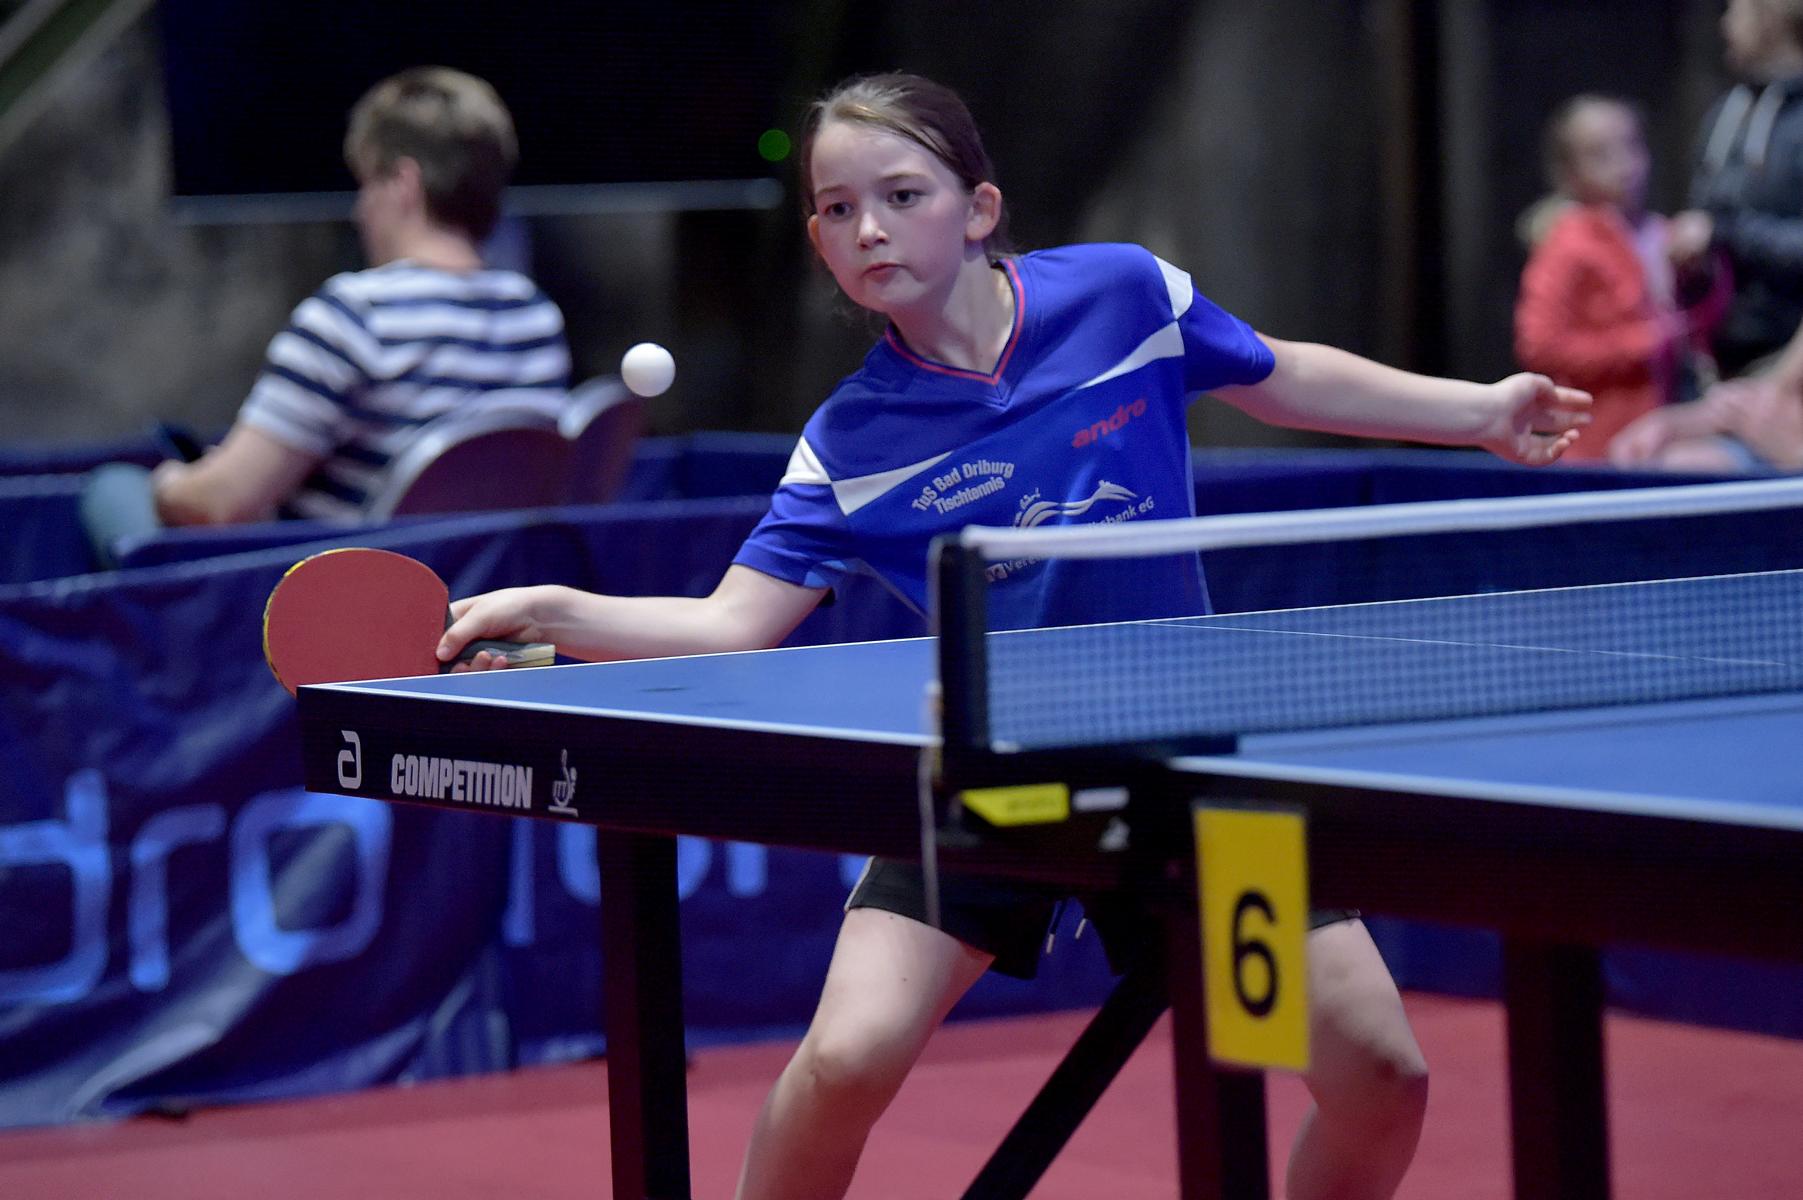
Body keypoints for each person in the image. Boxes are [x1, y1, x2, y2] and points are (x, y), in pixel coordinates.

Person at [439, 73, 1589, 1200]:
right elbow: (730, 623)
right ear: (820, 243)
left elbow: (1279, 376)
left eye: (902, 195)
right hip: (995, 775)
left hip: (1182, 762)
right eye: (837, 209)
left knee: (1381, 1075)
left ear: (979, 208)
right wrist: (554, 613)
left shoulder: (1125, 294)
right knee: (842, 1063)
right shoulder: (851, 440)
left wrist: (1480, 412)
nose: (869, 229)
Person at [148, 66, 570, 526]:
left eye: (367, 185)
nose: (359, 210)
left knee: (115, 489)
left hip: (347, 570)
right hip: (482, 572)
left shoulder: (356, 316)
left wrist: (169, 482)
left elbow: (219, 504)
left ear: (404, 184)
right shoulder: (535, 317)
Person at [1514, 95, 1727, 460]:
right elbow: (1539, 344)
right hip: (1597, 436)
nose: (1624, 165)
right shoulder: (1567, 242)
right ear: (1569, 172)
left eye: (1631, 146)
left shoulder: (1662, 233)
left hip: (1664, 422)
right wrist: (1644, 342)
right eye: (1600, 154)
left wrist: (1704, 270)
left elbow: (1701, 324)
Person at [1668, 0, 1803, 381]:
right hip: (1721, 357)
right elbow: (1704, 215)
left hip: (1788, 362)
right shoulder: (1726, 113)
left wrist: (1724, 233)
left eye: (1735, 11)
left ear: (1770, 16)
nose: (1725, 25)